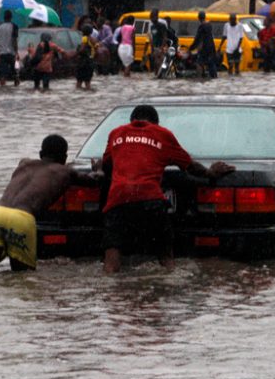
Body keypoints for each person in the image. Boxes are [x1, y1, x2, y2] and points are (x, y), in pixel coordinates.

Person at [99, 105, 234, 274]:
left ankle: (109, 290)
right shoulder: (162, 134)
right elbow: (190, 166)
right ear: (156, 123)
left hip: (118, 200)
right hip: (150, 199)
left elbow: (106, 167)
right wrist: (210, 172)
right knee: (166, 258)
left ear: (131, 121)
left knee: (111, 260)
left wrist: (98, 168)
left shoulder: (116, 133)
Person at [0, 135, 99, 276]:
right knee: (23, 279)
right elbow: (95, 180)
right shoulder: (65, 172)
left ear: (40, 154)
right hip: (22, 218)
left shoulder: (24, 163)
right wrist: (98, 169)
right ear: (64, 157)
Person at [190, 11, 218, 79]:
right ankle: (214, 77)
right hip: (211, 47)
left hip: (204, 48)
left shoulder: (202, 26)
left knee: (199, 63)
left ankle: (199, 78)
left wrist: (191, 48)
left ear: (198, 18)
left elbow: (197, 38)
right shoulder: (209, 25)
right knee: (211, 63)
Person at [0, 10, 19, 86]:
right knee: (15, 73)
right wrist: (16, 52)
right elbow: (14, 40)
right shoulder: (14, 26)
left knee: (2, 73)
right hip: (11, 53)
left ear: (4, 17)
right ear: (11, 17)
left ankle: (2, 86)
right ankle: (16, 84)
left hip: (2, 53)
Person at [75, 24, 97, 90]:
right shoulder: (93, 39)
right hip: (91, 62)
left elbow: (82, 49)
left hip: (83, 62)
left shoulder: (85, 38)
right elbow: (96, 49)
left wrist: (76, 53)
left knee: (79, 82)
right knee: (88, 82)